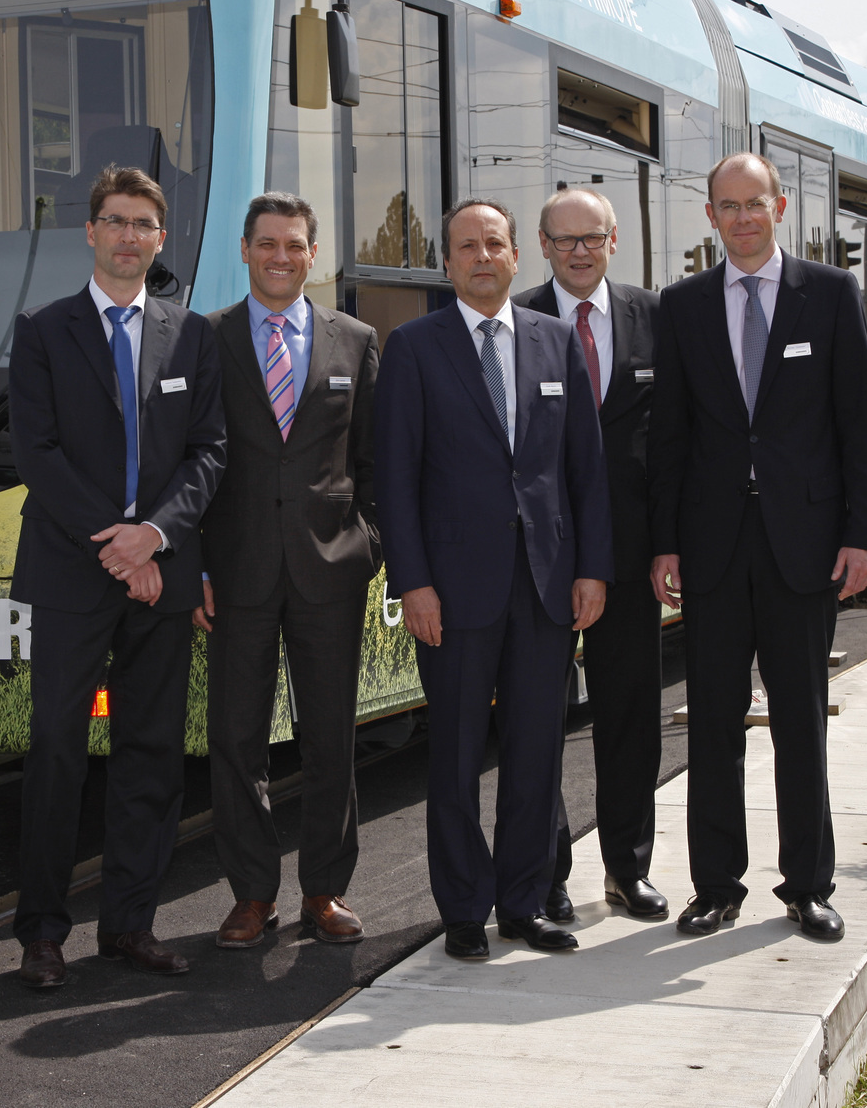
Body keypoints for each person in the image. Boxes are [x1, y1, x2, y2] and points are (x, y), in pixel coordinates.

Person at [647, 152, 867, 944]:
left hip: (805, 545)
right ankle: (716, 885)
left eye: (756, 202)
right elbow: (669, 437)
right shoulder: (681, 306)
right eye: (727, 205)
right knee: (712, 720)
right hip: (712, 548)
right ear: (710, 215)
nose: (743, 217)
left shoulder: (830, 295)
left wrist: (861, 536)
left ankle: (808, 884)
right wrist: (664, 545)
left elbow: (861, 427)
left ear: (780, 206)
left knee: (799, 719)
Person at [374, 198, 612, 961]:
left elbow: (585, 468)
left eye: (495, 243)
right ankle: (463, 910)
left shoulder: (553, 340)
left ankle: (524, 900)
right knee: (453, 754)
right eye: (467, 246)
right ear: (447, 263)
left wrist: (591, 569)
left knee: (538, 751)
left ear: (518, 256)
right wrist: (412, 582)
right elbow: (395, 479)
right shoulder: (412, 348)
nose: (482, 256)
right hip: (452, 588)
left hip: (544, 585)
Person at [7, 166, 226, 989]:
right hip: (74, 571)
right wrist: (116, 545)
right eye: (115, 221)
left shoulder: (190, 334)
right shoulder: (42, 328)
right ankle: (41, 932)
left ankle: (131, 923)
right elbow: (38, 454)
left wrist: (155, 537)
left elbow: (210, 450)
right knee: (58, 751)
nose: (129, 236)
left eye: (144, 223)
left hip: (161, 572)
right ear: (91, 232)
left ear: (161, 238)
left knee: (152, 753)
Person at [198, 193, 381, 951]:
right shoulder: (207, 340)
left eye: (295, 244)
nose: (281, 255)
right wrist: (196, 566)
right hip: (236, 570)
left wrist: (369, 544)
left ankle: (324, 888)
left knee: (331, 735)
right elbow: (195, 458)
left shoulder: (358, 340)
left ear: (314, 254)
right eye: (267, 242)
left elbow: (375, 459)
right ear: (245, 250)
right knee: (237, 736)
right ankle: (251, 894)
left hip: (329, 568)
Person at [516, 189, 670, 924]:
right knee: (538, 720)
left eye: (593, 237)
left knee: (631, 715)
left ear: (615, 241)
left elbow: (676, 441)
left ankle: (627, 870)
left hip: (632, 557)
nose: (580, 250)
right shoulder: (512, 321)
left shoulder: (654, 318)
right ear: (542, 245)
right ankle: (544, 875)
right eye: (564, 239)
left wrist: (671, 542)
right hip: (541, 559)